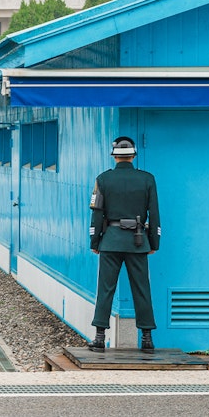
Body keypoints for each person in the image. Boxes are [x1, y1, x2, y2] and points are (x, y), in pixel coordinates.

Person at [88, 136, 161, 354]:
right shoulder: (147, 179)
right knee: (142, 288)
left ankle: (100, 337)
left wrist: (95, 240)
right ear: (133, 155)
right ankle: (147, 338)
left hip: (110, 240)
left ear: (114, 156)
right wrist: (154, 241)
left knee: (105, 289)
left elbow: (97, 214)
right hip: (138, 241)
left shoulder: (103, 179)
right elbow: (154, 214)